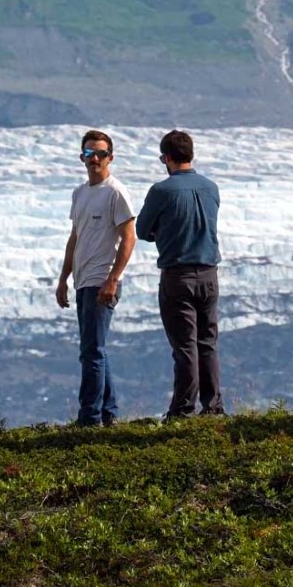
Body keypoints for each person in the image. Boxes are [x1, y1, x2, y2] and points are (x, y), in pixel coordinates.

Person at [136, 129, 224, 418]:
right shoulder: (211, 187)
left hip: (178, 275)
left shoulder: (161, 191)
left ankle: (183, 409)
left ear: (167, 158)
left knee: (185, 346)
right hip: (209, 274)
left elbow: (141, 230)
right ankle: (213, 406)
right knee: (207, 343)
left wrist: (162, 231)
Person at [56, 129, 136, 427]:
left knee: (91, 350)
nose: (95, 159)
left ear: (110, 158)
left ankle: (89, 418)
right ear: (82, 158)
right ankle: (109, 412)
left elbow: (129, 237)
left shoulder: (115, 192)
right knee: (95, 348)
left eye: (100, 154)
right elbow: (74, 237)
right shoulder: (80, 193)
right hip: (82, 280)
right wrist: (64, 277)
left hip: (103, 280)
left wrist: (113, 279)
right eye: (89, 154)